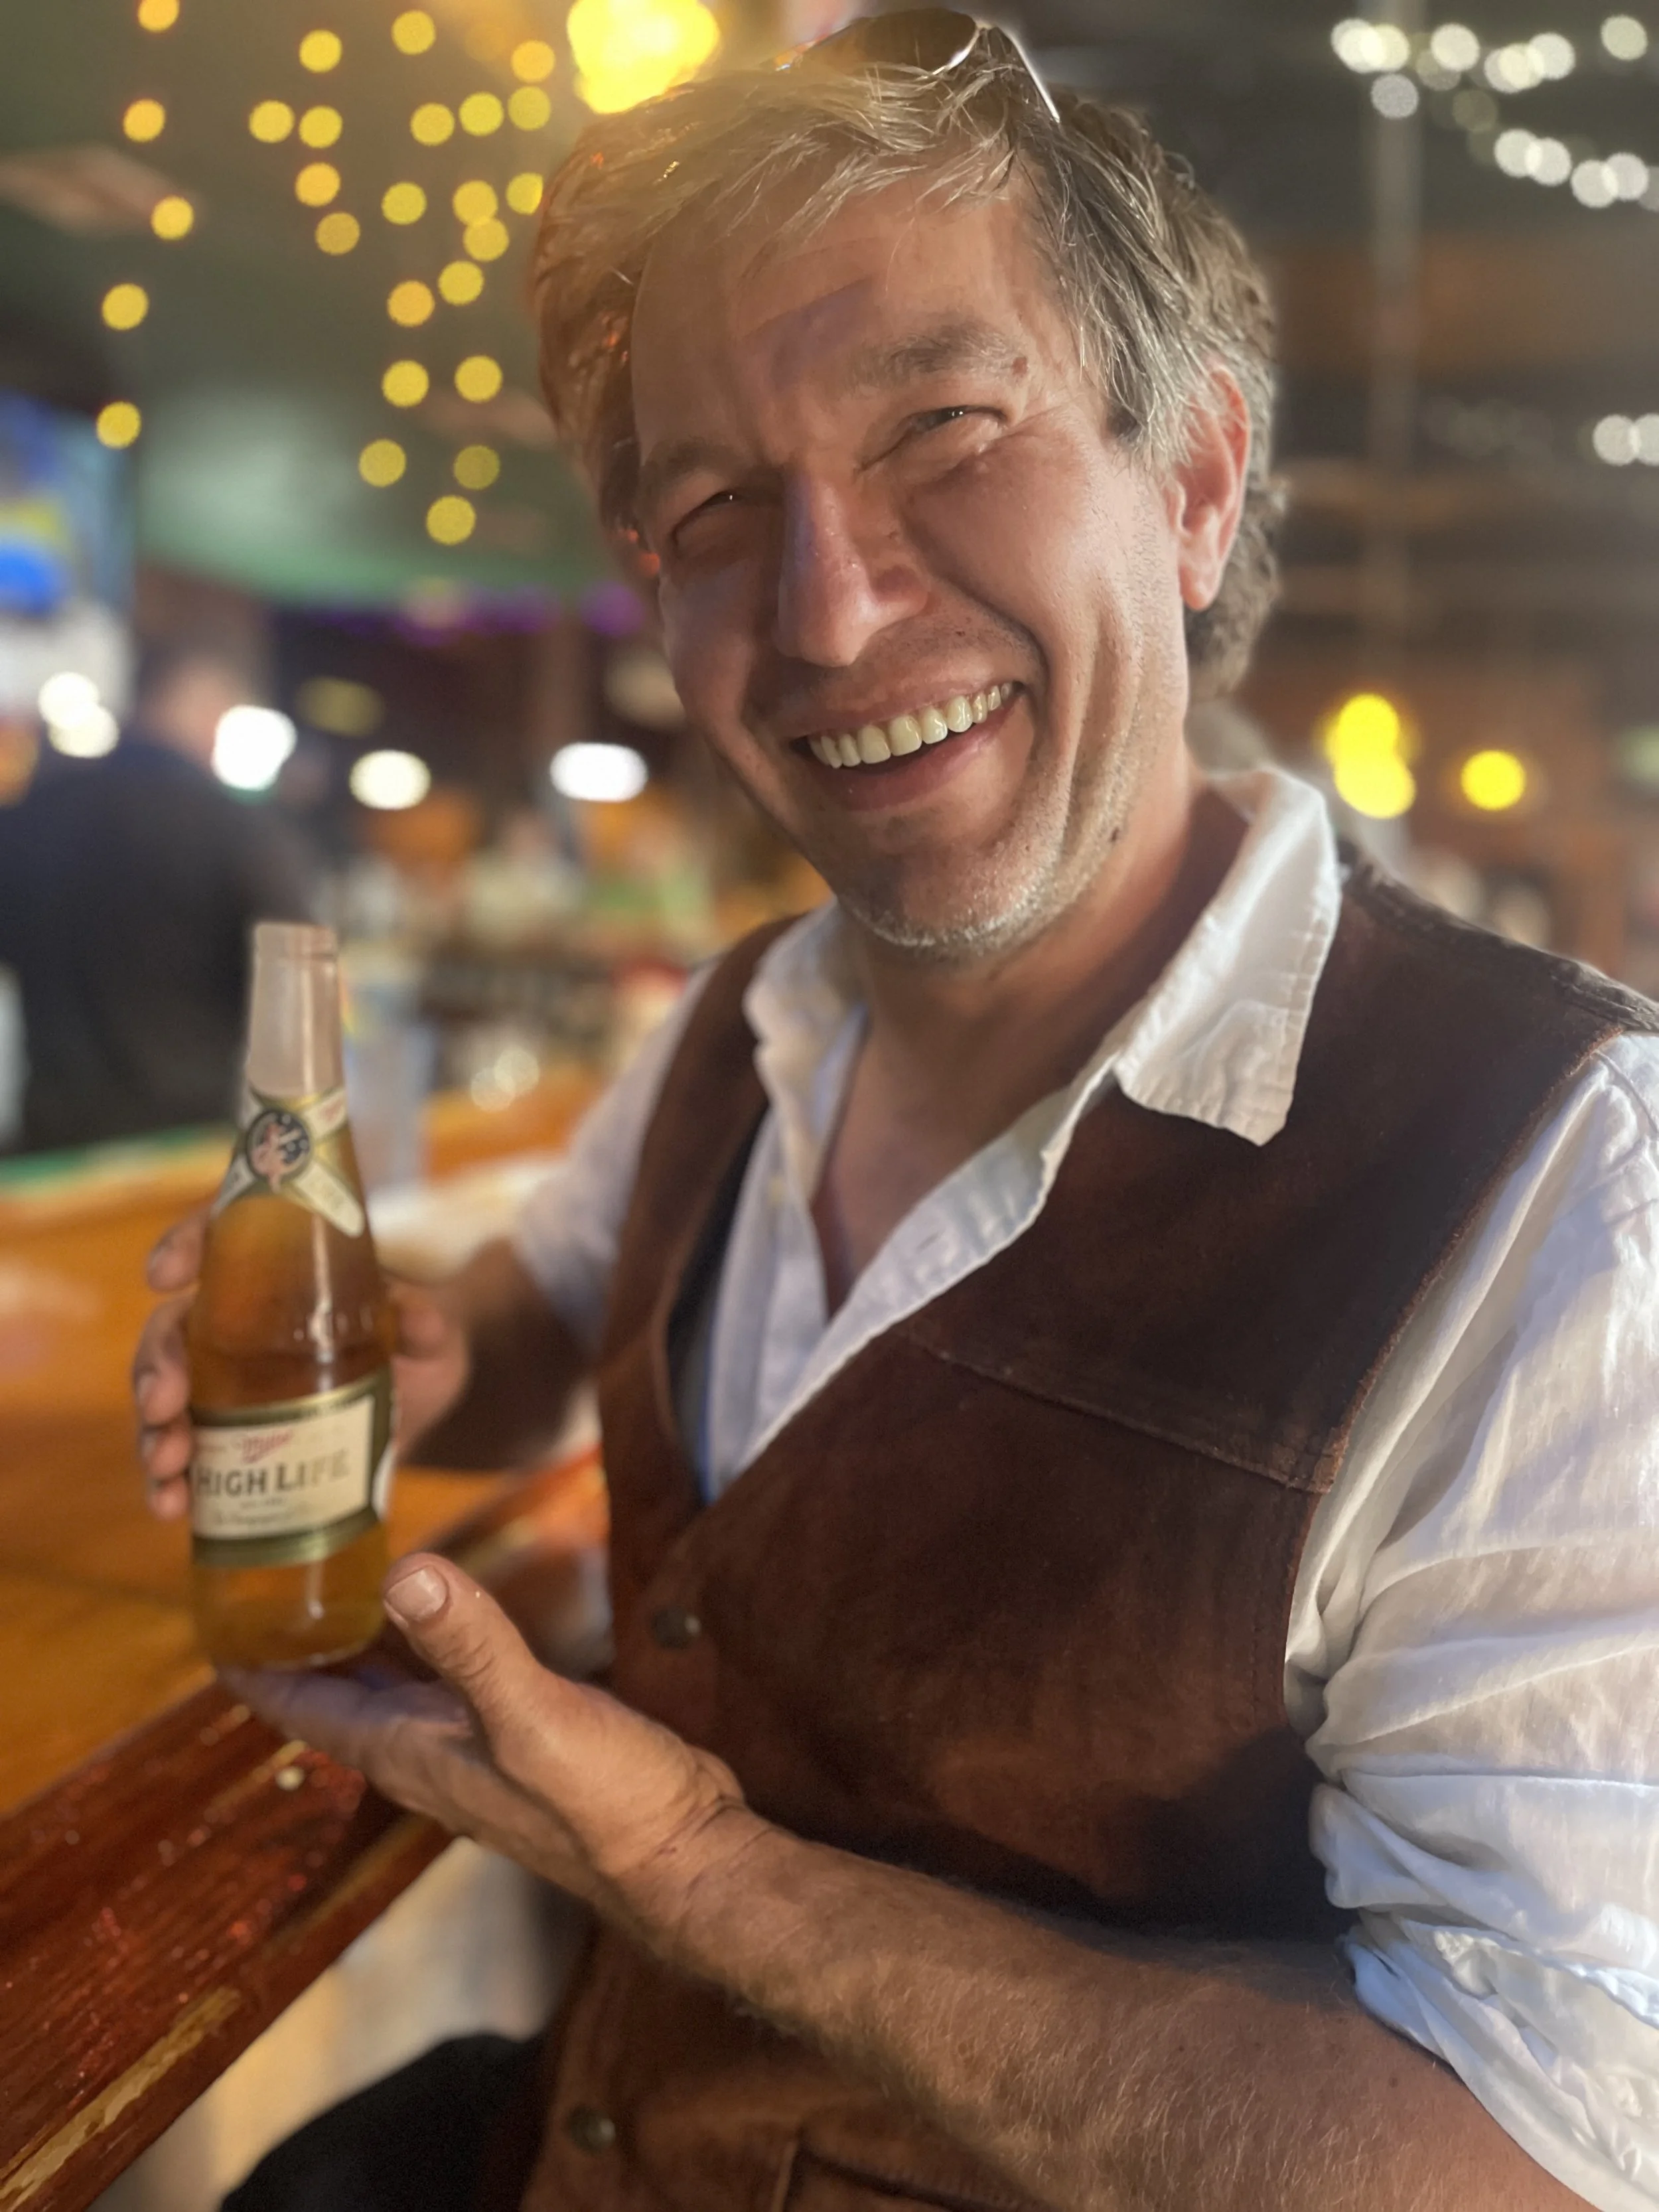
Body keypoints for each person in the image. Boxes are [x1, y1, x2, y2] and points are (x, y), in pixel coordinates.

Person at [134, 15, 1658, 2210]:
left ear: (1199, 479)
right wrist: (409, 1350)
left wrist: (686, 1868)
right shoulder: (747, 1017)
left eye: (946, 423)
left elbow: (1535, 2161)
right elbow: (549, 1306)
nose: (827, 608)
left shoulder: (1567, 1188)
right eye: (715, 508)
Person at [0, 639, 313, 1151]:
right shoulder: (236, 828)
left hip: (49, 1145)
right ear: (204, 704)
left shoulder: (36, 811)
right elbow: (297, 989)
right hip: (183, 1150)